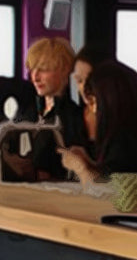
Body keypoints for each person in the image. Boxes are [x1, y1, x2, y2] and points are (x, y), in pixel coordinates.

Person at [58, 62, 137, 183]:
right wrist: (88, 163)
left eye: (91, 101)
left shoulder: (124, 140)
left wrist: (81, 168)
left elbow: (110, 190)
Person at [19, 37, 87, 180]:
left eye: (43, 69)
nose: (35, 77)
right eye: (32, 69)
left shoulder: (74, 118)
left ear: (64, 69)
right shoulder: (28, 112)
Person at [72, 44, 112, 142]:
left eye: (90, 81)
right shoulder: (74, 115)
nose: (84, 87)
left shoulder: (118, 118)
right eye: (79, 81)